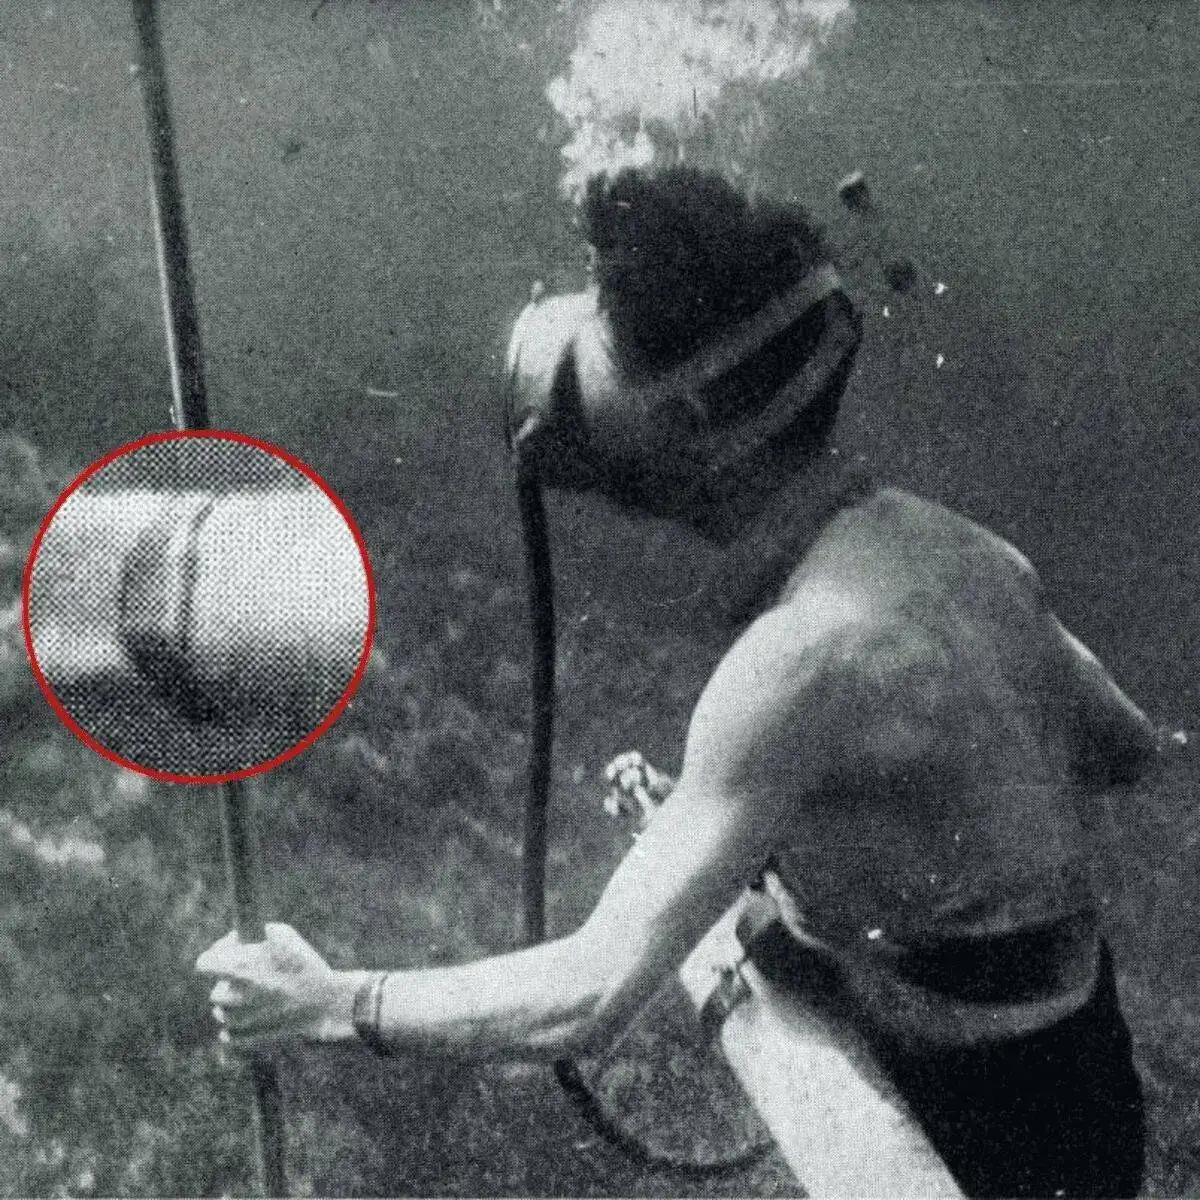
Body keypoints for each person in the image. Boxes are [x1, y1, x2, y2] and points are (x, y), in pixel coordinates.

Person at [197, 167, 1157, 1198]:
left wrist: (334, 1004)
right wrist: (866, 829)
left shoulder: (796, 663)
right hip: (1090, 1092)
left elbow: (588, 996)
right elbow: (1124, 747)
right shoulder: (965, 551)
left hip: (968, 1144)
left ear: (696, 418)